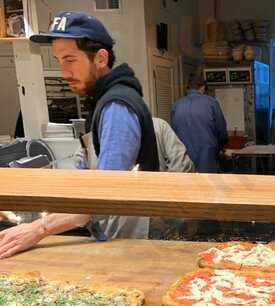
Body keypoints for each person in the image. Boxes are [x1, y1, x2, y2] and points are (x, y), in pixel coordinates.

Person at [0, 11, 159, 259]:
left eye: (70, 60)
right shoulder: (103, 101)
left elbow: (104, 196)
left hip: (131, 243)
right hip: (117, 238)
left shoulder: (117, 107)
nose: (64, 72)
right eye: (59, 60)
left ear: (100, 58)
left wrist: (37, 229)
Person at [171, 73, 228, 173]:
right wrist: (218, 148)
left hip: (183, 163)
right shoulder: (212, 103)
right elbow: (222, 133)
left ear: (187, 88)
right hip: (208, 161)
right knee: (207, 187)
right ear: (202, 87)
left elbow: (173, 135)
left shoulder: (176, 105)